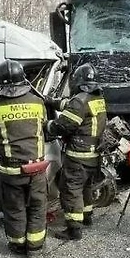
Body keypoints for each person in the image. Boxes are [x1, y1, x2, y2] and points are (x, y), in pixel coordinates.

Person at [0, 60, 49, 258]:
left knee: (15, 209)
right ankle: (35, 248)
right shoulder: (38, 102)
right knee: (38, 207)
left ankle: (18, 245)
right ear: (23, 79)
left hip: (11, 171)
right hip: (37, 167)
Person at [47, 64, 107, 241]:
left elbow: (63, 125)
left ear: (77, 81)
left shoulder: (79, 101)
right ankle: (86, 217)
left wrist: (47, 125)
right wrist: (51, 101)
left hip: (78, 156)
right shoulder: (97, 98)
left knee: (71, 190)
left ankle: (74, 229)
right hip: (93, 155)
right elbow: (74, 106)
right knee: (85, 187)